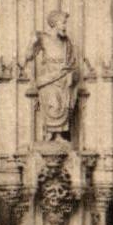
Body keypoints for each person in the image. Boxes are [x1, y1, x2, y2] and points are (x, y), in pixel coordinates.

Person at [24, 9, 79, 142]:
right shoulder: (42, 37)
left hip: (63, 77)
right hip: (49, 78)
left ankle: (59, 135)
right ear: (54, 23)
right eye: (63, 23)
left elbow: (72, 60)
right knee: (52, 104)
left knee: (62, 105)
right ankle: (50, 134)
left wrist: (69, 70)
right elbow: (28, 56)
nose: (65, 27)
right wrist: (31, 43)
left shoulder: (67, 42)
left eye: (65, 23)